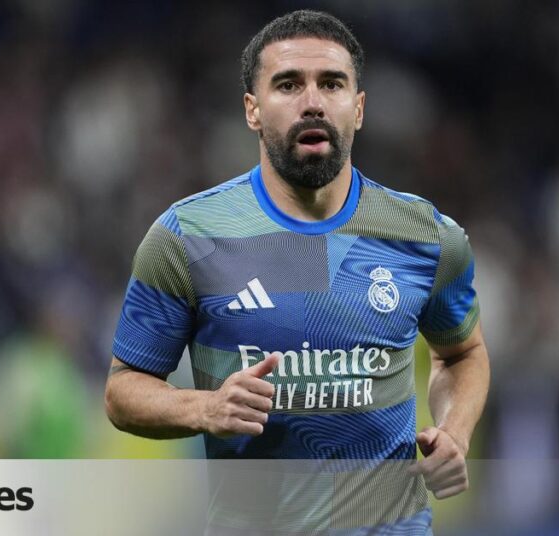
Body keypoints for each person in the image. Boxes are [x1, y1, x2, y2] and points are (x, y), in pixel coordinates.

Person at [104, 9, 490, 533]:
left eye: (331, 83)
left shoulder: (426, 236)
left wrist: (455, 432)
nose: (312, 102)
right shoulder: (187, 236)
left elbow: (462, 353)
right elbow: (123, 391)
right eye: (288, 85)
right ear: (252, 110)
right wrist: (205, 409)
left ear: (358, 108)